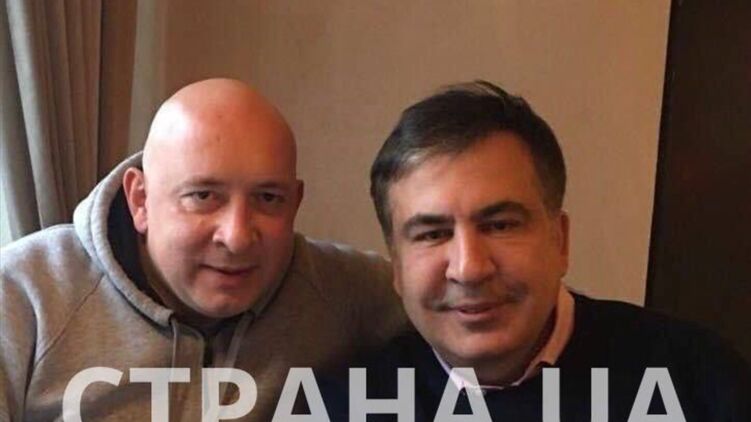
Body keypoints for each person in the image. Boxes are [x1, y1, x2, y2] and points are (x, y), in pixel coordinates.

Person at [322, 81, 750, 421]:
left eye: (500, 225)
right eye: (433, 234)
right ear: (397, 267)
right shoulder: (341, 408)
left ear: (559, 240)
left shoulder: (700, 383)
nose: (469, 269)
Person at [0, 78, 406, 421]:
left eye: (268, 198)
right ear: (141, 200)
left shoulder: (344, 293)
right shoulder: (25, 294)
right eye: (203, 196)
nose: (237, 237)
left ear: (295, 204)